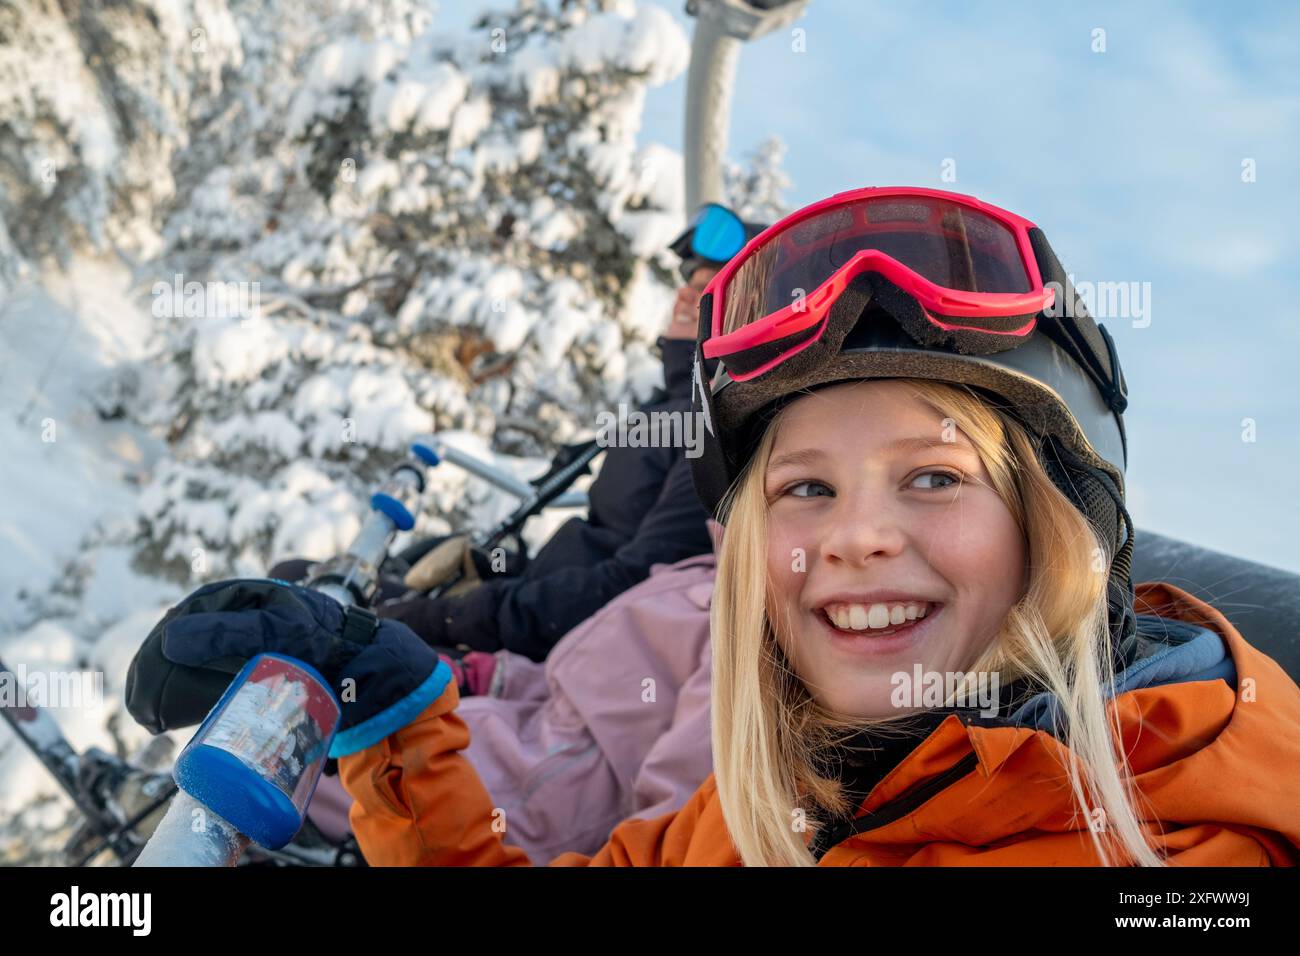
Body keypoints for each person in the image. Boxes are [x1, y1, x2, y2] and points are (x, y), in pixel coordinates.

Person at [128, 186, 1300, 865]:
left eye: (933, 478)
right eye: (804, 488)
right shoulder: (769, 806)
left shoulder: (1186, 848)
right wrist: (400, 715)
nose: (855, 537)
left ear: (1060, 519)